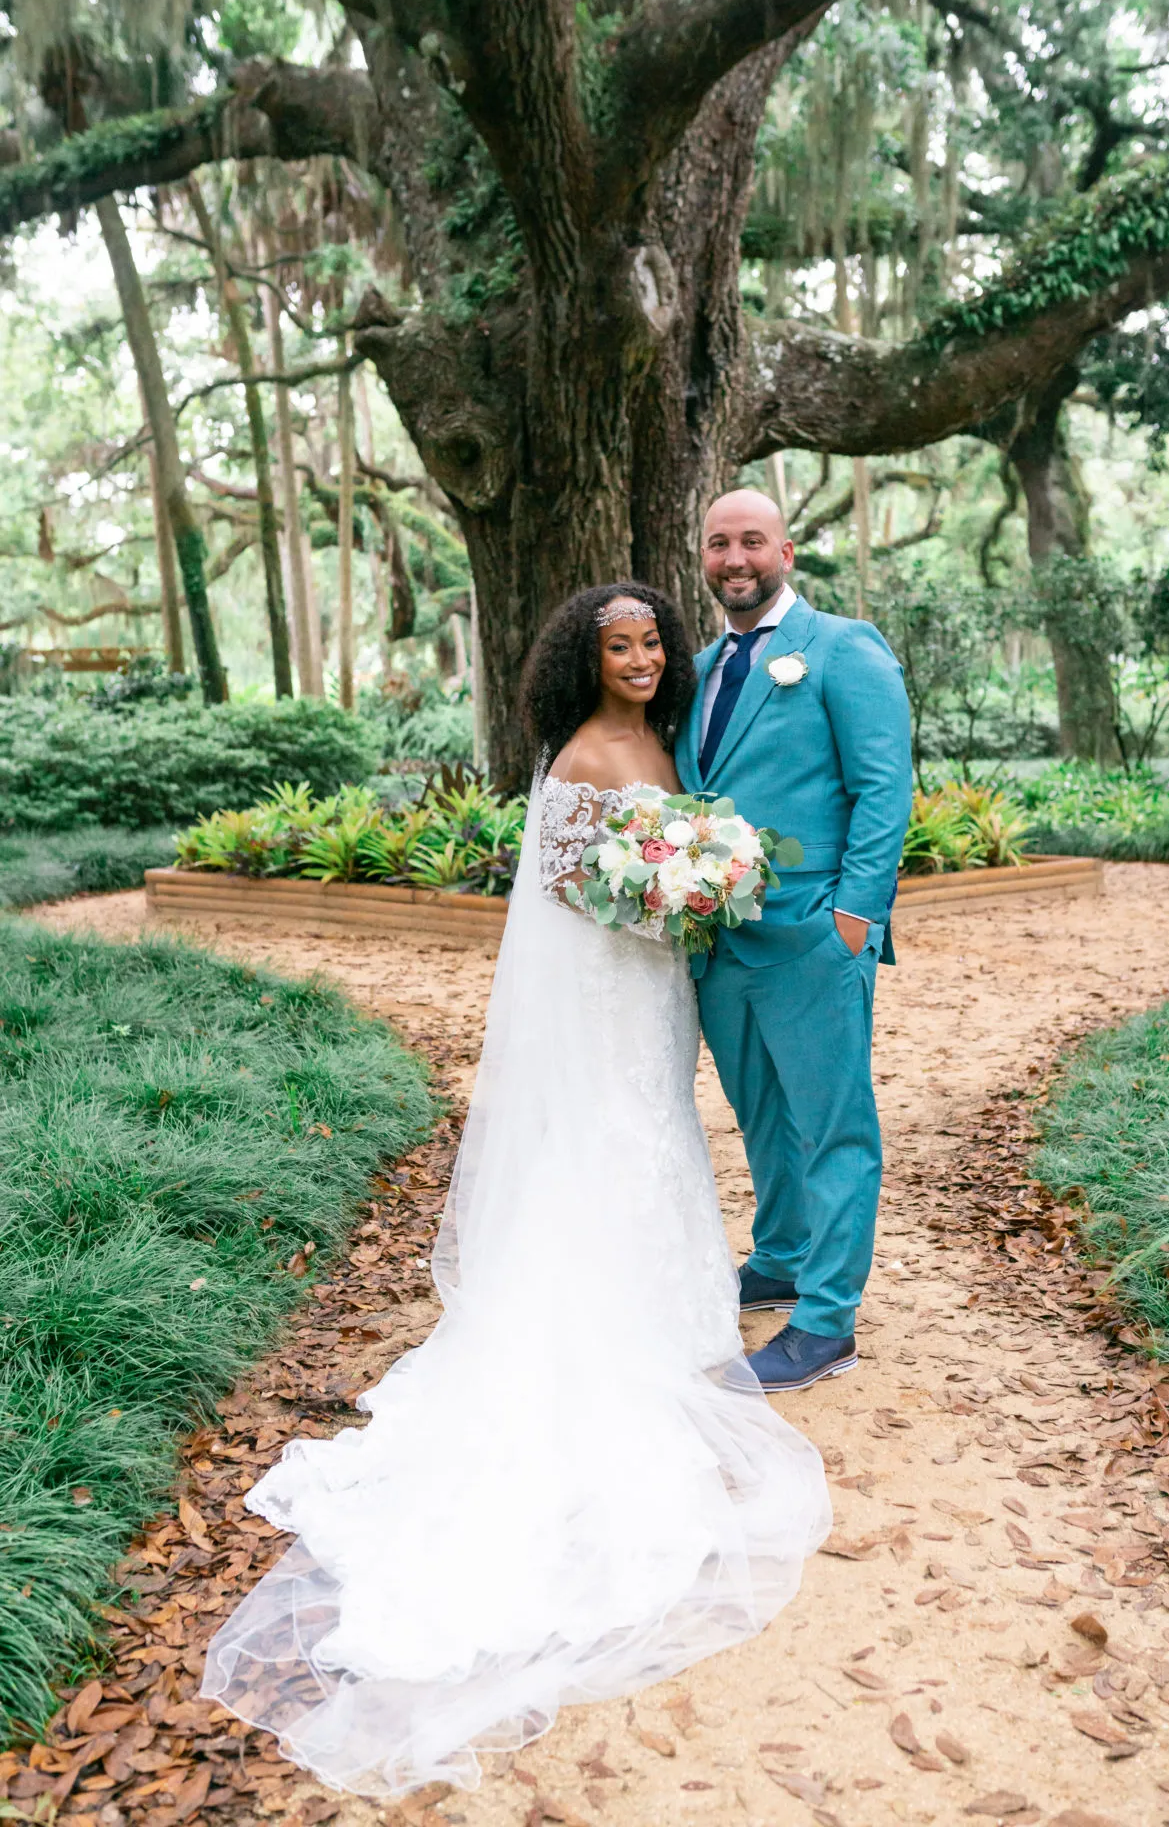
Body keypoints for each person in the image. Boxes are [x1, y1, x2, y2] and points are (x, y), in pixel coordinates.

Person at [201, 581, 831, 1799]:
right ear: (580, 660)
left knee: (660, 1147)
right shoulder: (585, 754)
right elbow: (559, 891)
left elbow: (656, 864)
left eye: (652, 640)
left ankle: (671, 1325)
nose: (641, 657)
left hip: (656, 998)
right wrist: (662, 888)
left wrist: (692, 881)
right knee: (610, 1156)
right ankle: (604, 1347)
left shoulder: (662, 736)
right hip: (604, 1001)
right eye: (619, 644)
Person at [676, 490, 913, 1393]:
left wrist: (854, 917)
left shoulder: (842, 649)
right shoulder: (697, 667)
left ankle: (824, 1323)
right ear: (702, 557)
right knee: (762, 1117)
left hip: (814, 936)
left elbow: (883, 789)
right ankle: (777, 1257)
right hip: (721, 942)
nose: (734, 558)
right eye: (716, 544)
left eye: (750, 542)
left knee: (832, 1127)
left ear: (784, 549)